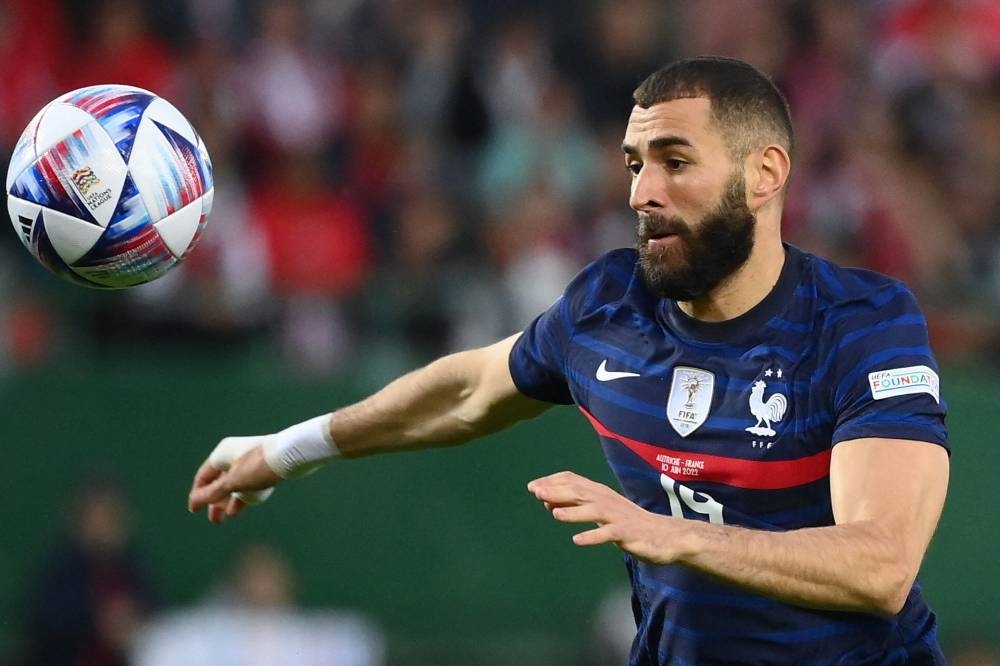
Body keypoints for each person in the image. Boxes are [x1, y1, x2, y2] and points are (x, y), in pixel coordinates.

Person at [189, 56, 950, 665]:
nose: (643, 191)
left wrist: (674, 533)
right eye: (632, 164)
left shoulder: (861, 323)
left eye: (675, 161)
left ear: (765, 173)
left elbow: (880, 564)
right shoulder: (609, 306)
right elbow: (466, 391)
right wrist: (287, 449)